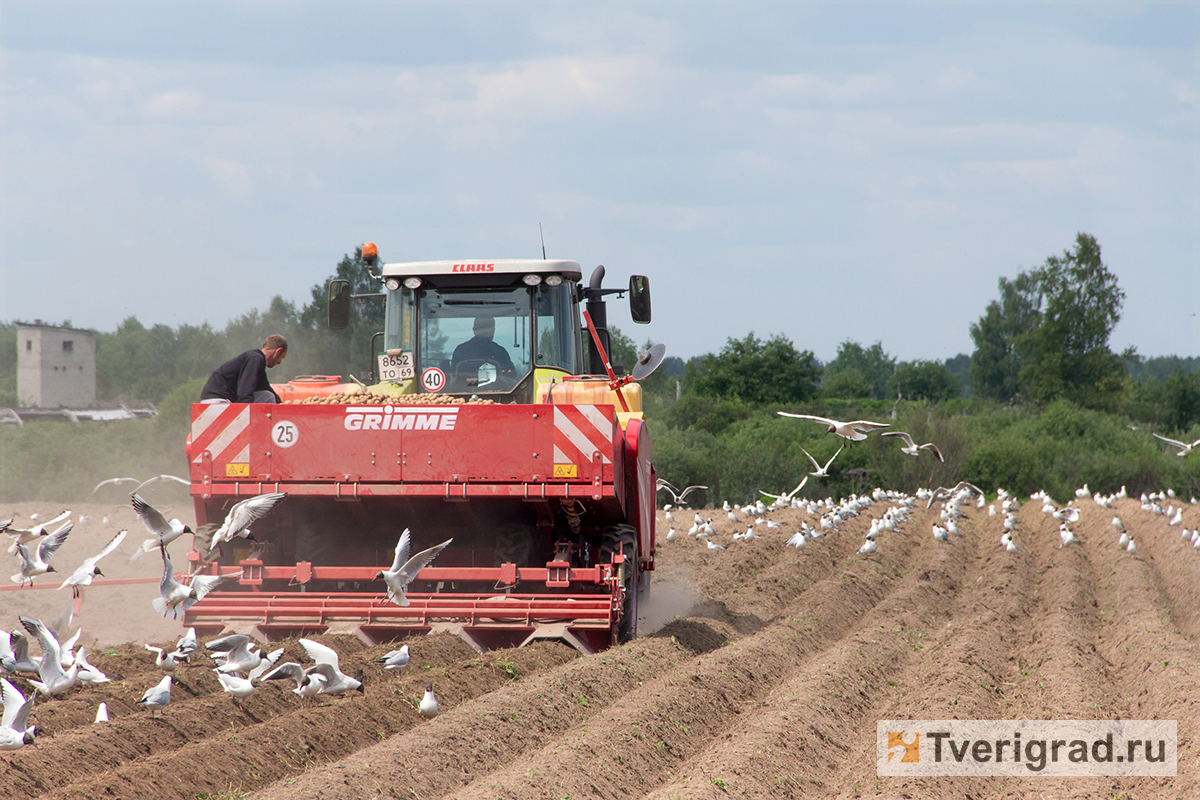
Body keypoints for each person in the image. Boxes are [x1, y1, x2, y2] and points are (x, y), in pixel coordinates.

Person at [200, 335, 288, 404]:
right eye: (282, 357)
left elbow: (265, 387)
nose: (279, 362)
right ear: (278, 351)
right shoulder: (255, 358)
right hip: (218, 401)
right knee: (266, 397)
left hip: (218, 398)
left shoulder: (256, 360)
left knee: (268, 395)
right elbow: (245, 390)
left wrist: (281, 405)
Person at [450, 317, 516, 375]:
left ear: (474, 330)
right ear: (493, 330)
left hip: (461, 388)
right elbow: (510, 375)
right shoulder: (501, 352)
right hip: (498, 389)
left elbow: (452, 374)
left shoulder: (460, 350)